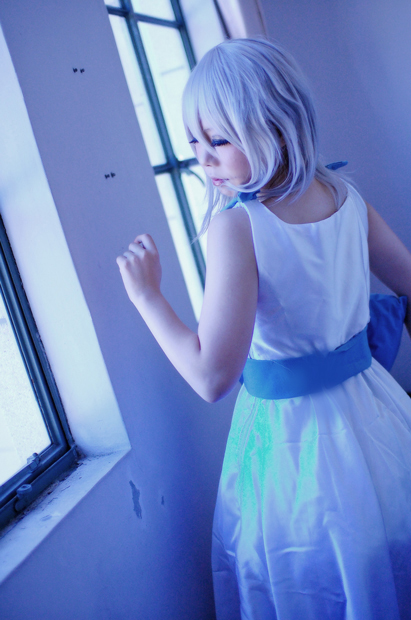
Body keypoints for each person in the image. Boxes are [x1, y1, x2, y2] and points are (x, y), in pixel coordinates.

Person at [117, 38, 411, 620]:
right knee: (383, 558)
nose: (202, 160)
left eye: (219, 141)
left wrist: (148, 297)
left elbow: (210, 377)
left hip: (293, 440)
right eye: (193, 142)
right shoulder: (346, 196)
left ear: (276, 127)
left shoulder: (238, 227)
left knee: (314, 579)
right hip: (377, 414)